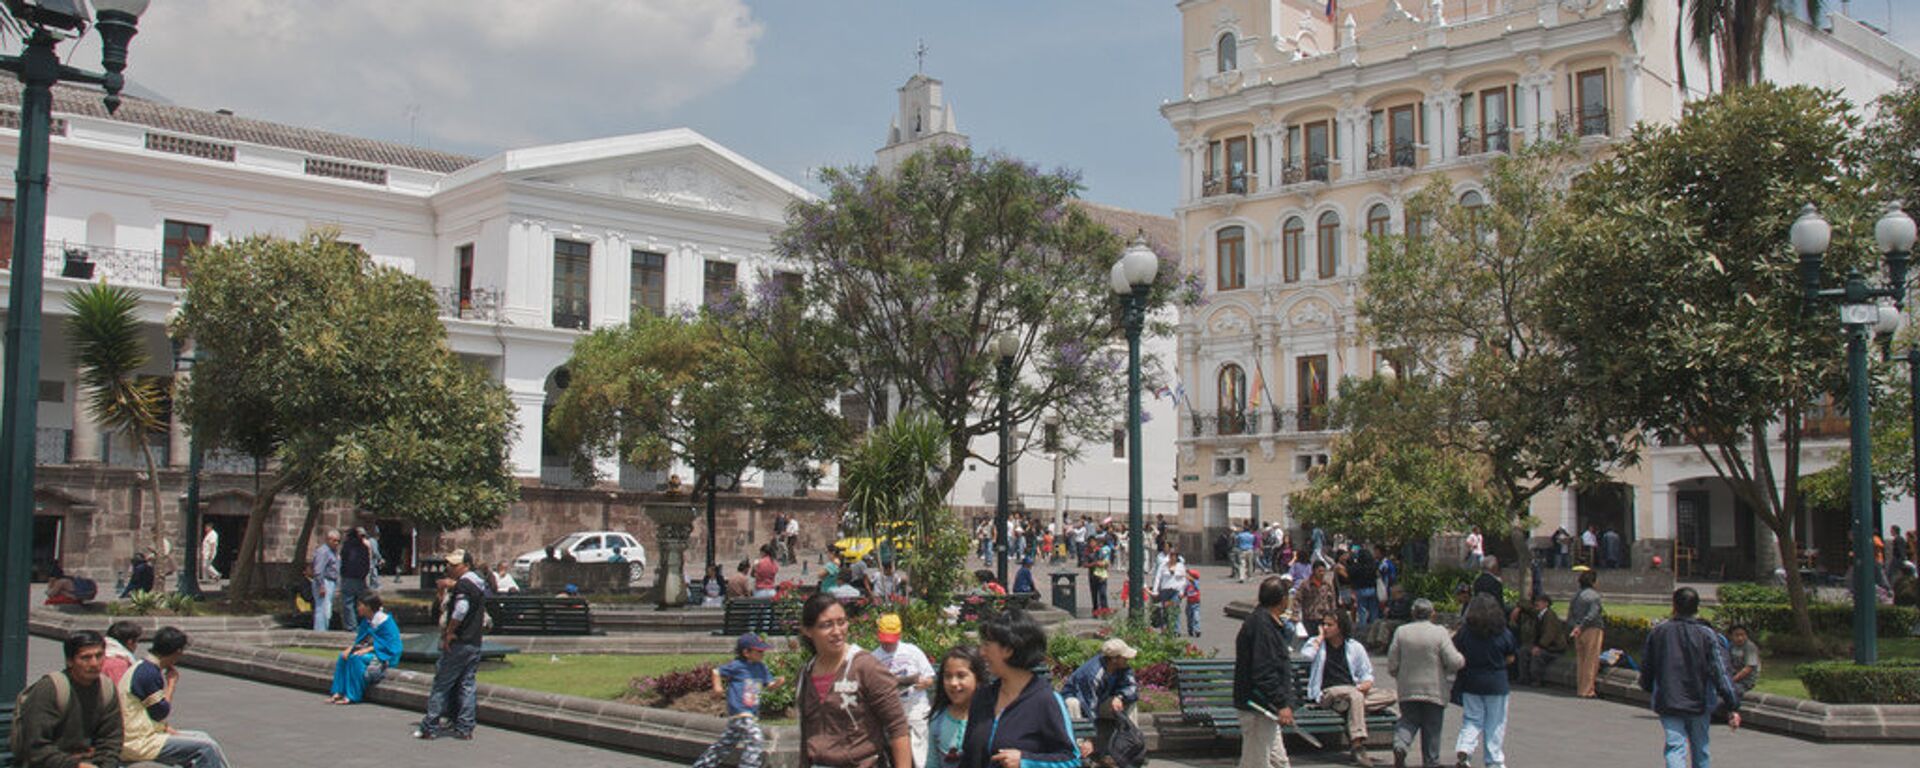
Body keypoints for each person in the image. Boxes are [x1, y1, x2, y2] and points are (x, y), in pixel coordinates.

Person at [795, 593, 912, 768]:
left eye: (841, 622)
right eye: (826, 625)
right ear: (808, 631)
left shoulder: (866, 667)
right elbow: (807, 734)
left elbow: (898, 727)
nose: (837, 631)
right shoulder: (806, 674)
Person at [957, 609, 1079, 768]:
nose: (981, 652)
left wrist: (1026, 762)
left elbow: (1071, 760)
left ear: (1008, 649)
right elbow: (968, 757)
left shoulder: (1045, 700)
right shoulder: (982, 697)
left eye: (987, 645)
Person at [1639, 587, 1741, 768]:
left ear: (1674, 606)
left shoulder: (1659, 632)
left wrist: (1648, 686)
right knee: (1700, 747)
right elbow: (1720, 672)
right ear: (1697, 608)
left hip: (1669, 697)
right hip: (1700, 700)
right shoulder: (1707, 635)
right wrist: (1731, 703)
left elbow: (1648, 665)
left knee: (1674, 747)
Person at [117, 626, 231, 768]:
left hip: (140, 733)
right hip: (139, 741)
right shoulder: (148, 673)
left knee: (202, 737)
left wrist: (165, 728)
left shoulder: (143, 667)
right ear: (177, 652)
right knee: (206, 748)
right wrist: (171, 684)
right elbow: (160, 712)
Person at [14, 630, 122, 768]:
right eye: (86, 658)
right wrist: (75, 765)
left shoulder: (107, 688)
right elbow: (36, 746)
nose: (95, 663)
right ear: (70, 661)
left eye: (99, 656)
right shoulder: (50, 689)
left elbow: (111, 738)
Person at [1301, 612, 1391, 766]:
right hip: (1328, 694)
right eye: (1324, 624)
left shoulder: (1354, 647)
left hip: (1349, 694)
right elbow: (1306, 656)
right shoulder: (1317, 644)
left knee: (1390, 695)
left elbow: (1366, 673)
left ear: (1340, 627)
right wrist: (1320, 637)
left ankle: (1349, 708)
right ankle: (1357, 746)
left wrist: (1366, 684)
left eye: (1330, 625)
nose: (1325, 627)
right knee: (1356, 696)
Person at [414, 548, 487, 741]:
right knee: (467, 685)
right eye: (449, 564)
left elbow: (460, 610)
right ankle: (465, 727)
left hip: (459, 642)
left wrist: (450, 632)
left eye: (454, 565)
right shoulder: (478, 583)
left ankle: (430, 726)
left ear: (466, 566)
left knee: (442, 684)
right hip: (474, 641)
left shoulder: (463, 585)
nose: (449, 568)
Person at [1386, 599, 1463, 768]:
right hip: (1434, 689)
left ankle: (1401, 744)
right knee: (1432, 728)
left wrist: (1397, 674)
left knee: (1408, 721)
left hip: (1408, 688)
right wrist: (1456, 664)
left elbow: (1392, 662)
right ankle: (1431, 762)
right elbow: (1454, 660)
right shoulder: (1439, 632)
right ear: (1432, 613)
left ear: (1413, 613)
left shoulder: (1402, 632)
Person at [1234, 576, 1297, 768]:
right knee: (1256, 762)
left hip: (1267, 709)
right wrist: (1281, 703)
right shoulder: (1262, 626)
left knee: (1279, 762)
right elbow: (1264, 671)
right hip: (1258, 707)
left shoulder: (1267, 622)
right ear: (1282, 599)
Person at [692, 633, 779, 768]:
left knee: (725, 744)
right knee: (755, 739)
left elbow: (770, 685)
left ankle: (703, 765)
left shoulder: (761, 668)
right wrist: (718, 687)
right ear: (746, 652)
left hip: (751, 712)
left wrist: (778, 683)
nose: (763, 653)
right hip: (741, 711)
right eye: (759, 651)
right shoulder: (737, 666)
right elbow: (716, 672)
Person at [1452, 595, 1515, 768]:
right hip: (1496, 681)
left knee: (1472, 719)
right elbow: (1510, 656)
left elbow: (1456, 651)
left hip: (1471, 681)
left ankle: (1465, 747)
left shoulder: (1466, 631)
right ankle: (1494, 760)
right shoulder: (1502, 632)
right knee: (1495, 723)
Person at [871, 614, 938, 768]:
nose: (888, 644)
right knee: (895, 745)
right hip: (891, 707)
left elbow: (929, 677)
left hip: (915, 704)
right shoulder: (874, 657)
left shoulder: (912, 651)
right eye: (885, 640)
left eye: (891, 640)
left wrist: (924, 683)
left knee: (920, 744)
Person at [1061, 639, 1139, 752]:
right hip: (1079, 702)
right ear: (1114, 659)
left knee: (1131, 703)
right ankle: (1079, 749)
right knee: (1072, 703)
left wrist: (1119, 697)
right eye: (1124, 657)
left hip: (1100, 701)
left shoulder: (1123, 668)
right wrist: (1090, 737)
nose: (1128, 659)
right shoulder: (1092, 673)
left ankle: (1132, 746)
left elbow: (1132, 688)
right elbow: (1088, 706)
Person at [329, 594, 403, 704]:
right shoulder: (366, 621)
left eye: (360, 605)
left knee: (356, 659)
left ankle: (353, 695)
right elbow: (361, 640)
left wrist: (368, 650)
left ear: (368, 607)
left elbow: (391, 644)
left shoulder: (385, 622)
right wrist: (350, 649)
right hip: (372, 651)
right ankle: (339, 691)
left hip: (385, 655)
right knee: (343, 657)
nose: (358, 608)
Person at [927, 646, 984, 768]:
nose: (953, 683)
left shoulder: (989, 719)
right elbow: (932, 762)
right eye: (948, 676)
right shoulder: (938, 720)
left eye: (961, 675)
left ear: (978, 678)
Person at [1512, 593, 1568, 686]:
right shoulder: (1539, 614)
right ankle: (1524, 678)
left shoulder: (1549, 615)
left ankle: (1536, 679)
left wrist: (1539, 646)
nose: (1536, 603)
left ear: (1546, 604)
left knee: (1537, 655)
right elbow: (1529, 609)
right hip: (1544, 646)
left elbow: (1549, 635)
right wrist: (1519, 607)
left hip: (1553, 648)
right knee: (1523, 651)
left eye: (1539, 602)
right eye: (1536, 601)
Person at [1567, 567, 1606, 698]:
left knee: (1581, 660)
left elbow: (1570, 614)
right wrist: (1581, 626)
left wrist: (1575, 627)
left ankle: (1581, 687)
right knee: (1591, 660)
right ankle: (1587, 690)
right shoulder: (1594, 597)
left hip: (1577, 630)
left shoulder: (1576, 596)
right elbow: (1592, 615)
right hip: (1592, 629)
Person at [338, 527, 373, 634]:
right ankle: (363, 626)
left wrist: (343, 574)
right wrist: (363, 574)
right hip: (360, 578)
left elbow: (344, 562)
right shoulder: (363, 547)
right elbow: (367, 563)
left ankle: (351, 626)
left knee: (348, 603)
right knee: (362, 603)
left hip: (348, 577)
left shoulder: (347, 547)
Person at [309, 529, 341, 632]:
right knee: (322, 609)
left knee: (327, 609)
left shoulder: (333, 552)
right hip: (324, 582)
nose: (336, 543)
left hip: (331, 582)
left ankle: (323, 629)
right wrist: (321, 585)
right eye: (334, 540)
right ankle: (320, 631)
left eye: (338, 541)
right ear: (328, 540)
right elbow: (318, 570)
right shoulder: (323, 551)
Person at [1294, 561, 1337, 630]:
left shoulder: (1327, 585)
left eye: (1323, 571)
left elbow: (1332, 600)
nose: (1322, 573)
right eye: (1319, 571)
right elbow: (1297, 599)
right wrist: (1295, 614)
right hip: (1310, 618)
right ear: (1313, 571)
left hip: (1324, 617)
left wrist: (1333, 614)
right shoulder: (1305, 585)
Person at [101, 621, 141, 686]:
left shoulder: (103, 654)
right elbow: (120, 691)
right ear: (130, 642)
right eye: (137, 641)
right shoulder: (118, 664)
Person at [1725, 624, 1760, 696]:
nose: (1740, 638)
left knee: (1729, 692)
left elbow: (1748, 668)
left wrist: (1731, 680)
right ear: (1731, 636)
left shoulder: (1750, 647)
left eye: (1742, 635)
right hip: (1732, 677)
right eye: (1736, 635)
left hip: (1745, 681)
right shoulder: (1731, 646)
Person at [1085, 535, 1112, 614]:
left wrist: (1105, 564)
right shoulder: (1087, 552)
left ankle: (1105, 609)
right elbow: (1085, 564)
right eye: (1091, 542)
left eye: (1094, 542)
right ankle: (1095, 609)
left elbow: (1106, 561)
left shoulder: (1101, 551)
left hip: (1102, 575)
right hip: (1092, 575)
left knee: (1103, 592)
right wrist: (1095, 564)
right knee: (1094, 593)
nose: (1093, 544)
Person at [1182, 568, 1203, 639]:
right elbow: (1185, 593)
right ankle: (1190, 629)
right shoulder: (1188, 585)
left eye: (1191, 575)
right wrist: (1181, 596)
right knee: (1189, 617)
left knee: (1196, 617)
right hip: (1189, 603)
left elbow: (1194, 581)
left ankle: (1197, 630)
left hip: (1196, 603)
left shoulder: (1196, 583)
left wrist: (1187, 573)